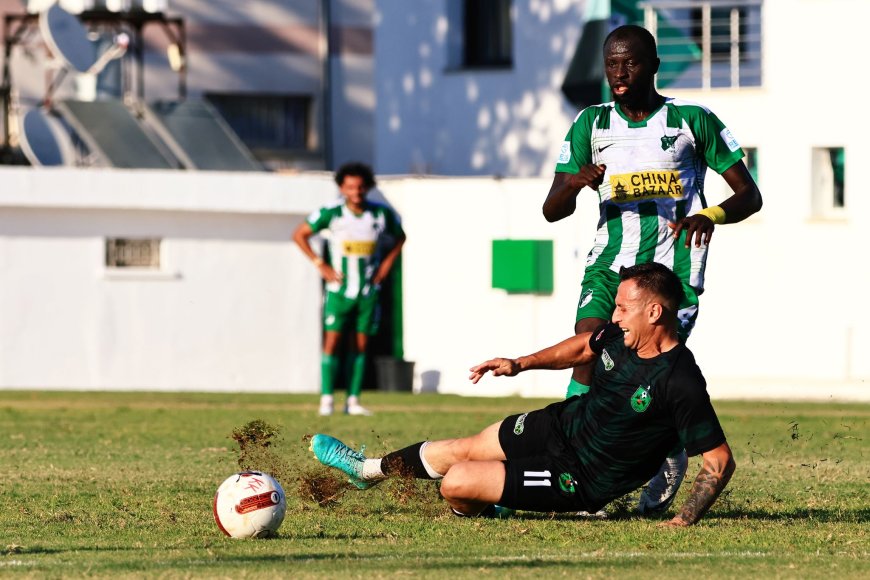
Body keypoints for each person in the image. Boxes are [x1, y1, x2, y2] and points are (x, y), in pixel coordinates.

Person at [311, 263, 735, 525]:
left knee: (457, 483)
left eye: (623, 308)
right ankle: (366, 471)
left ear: (655, 312)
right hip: (562, 424)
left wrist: (684, 518)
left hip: (581, 479)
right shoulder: (619, 334)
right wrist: (520, 363)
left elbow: (719, 461)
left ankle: (489, 502)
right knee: (467, 448)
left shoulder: (680, 380)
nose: (614, 315)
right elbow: (583, 346)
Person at [544, 24, 761, 511]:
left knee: (650, 375)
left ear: (654, 65)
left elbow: (750, 194)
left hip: (671, 271)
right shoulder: (591, 125)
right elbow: (551, 209)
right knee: (588, 352)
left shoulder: (691, 120)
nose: (619, 74)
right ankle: (577, 469)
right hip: (609, 265)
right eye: (611, 65)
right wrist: (576, 182)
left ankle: (671, 452)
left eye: (630, 63)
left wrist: (711, 213)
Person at [293, 162, 406, 416]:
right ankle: (327, 400)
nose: (356, 191)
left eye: (361, 186)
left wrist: (386, 265)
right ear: (342, 188)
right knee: (332, 342)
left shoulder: (380, 214)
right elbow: (299, 234)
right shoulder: (331, 213)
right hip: (339, 291)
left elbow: (400, 237)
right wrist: (320, 264)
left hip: (367, 292)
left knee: (360, 345)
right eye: (351, 186)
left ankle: (353, 400)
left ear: (367, 187)